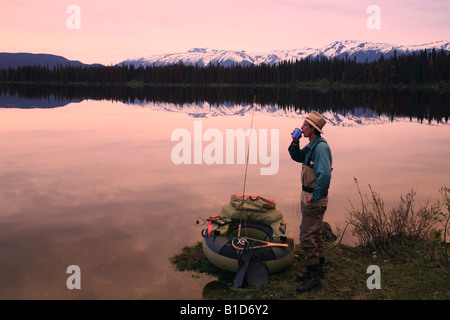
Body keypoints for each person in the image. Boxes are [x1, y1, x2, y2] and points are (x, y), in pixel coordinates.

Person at [288, 111, 332, 293]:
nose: (302, 127)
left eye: (305, 125)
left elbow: (325, 175)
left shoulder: (320, 148)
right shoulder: (311, 145)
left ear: (313, 129)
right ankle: (318, 267)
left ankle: (313, 275)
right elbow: (297, 157)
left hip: (314, 198)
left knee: (306, 236)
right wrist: (295, 141)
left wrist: (315, 196)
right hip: (309, 196)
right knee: (315, 233)